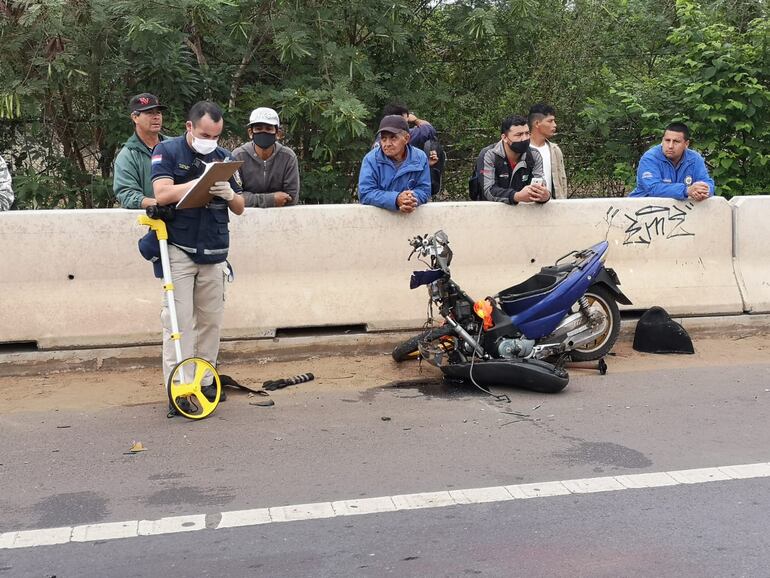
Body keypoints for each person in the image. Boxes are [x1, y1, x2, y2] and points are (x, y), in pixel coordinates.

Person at [150, 101, 245, 413]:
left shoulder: (224, 158)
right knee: (179, 324)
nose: (211, 141)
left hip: (215, 251)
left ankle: (205, 383)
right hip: (180, 247)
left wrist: (229, 194)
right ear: (189, 127)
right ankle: (180, 390)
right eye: (205, 134)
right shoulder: (168, 151)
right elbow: (162, 193)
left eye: (216, 136)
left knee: (210, 324)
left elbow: (240, 206)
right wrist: (198, 184)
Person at [358, 115, 431, 213]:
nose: (387, 144)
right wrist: (396, 199)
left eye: (393, 138)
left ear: (406, 138)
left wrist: (411, 199)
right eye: (383, 139)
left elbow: (424, 190)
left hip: (410, 220)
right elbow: (365, 193)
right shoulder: (371, 159)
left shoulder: (420, 157)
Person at [231, 107, 300, 208]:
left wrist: (249, 198)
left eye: (269, 129)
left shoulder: (288, 157)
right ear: (251, 132)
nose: (264, 132)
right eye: (258, 129)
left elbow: (291, 197)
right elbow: (234, 197)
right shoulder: (238, 156)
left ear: (278, 133)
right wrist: (271, 199)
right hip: (246, 217)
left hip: (280, 217)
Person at [629, 122, 715, 201]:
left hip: (679, 212)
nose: (670, 146)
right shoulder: (650, 158)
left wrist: (702, 191)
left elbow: (707, 182)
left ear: (686, 144)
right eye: (667, 140)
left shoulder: (694, 158)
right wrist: (687, 190)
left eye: (676, 141)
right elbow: (653, 188)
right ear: (662, 140)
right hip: (641, 210)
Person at [477, 116, 549, 204]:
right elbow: (489, 191)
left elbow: (540, 183)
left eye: (527, 133)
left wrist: (545, 196)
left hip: (524, 213)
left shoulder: (534, 155)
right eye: (519, 135)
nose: (524, 138)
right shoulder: (489, 155)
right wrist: (517, 196)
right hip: (491, 212)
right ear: (504, 138)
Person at [114, 93, 167, 209]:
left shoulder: (173, 146)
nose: (156, 117)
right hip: (149, 221)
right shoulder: (128, 155)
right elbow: (127, 194)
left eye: (158, 112)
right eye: (149, 113)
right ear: (135, 117)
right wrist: (160, 204)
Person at [381, 102, 445, 196]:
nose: (387, 144)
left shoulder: (378, 141)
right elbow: (429, 129)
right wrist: (415, 120)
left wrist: (426, 164)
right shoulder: (410, 135)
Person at [528, 103, 568, 199]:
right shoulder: (521, 149)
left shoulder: (555, 150)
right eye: (550, 121)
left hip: (552, 207)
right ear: (537, 123)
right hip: (526, 207)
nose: (554, 125)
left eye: (554, 121)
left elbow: (562, 181)